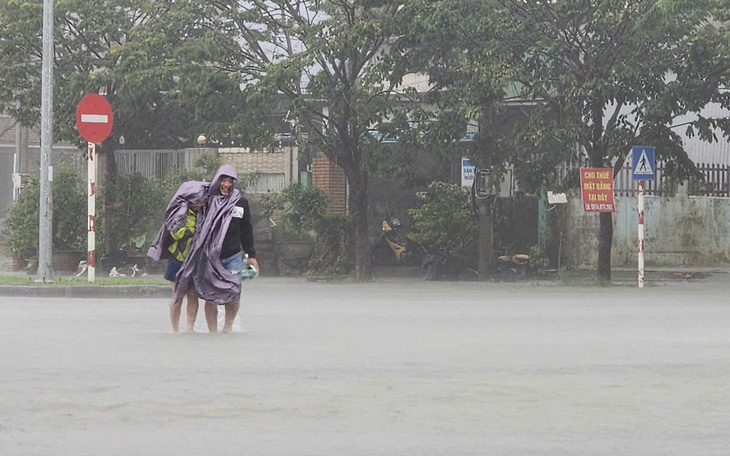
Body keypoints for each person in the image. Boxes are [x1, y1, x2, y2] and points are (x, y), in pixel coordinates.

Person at [171, 164, 259, 333]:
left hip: (233, 255)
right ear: (217, 181)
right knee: (210, 294)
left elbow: (246, 230)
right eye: (223, 180)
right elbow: (185, 200)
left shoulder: (240, 202)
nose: (226, 184)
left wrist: (251, 255)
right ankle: (213, 332)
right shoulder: (208, 199)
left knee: (234, 291)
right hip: (210, 255)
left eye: (230, 181)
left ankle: (228, 327)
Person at [147, 182, 208, 332]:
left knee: (193, 294)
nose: (199, 203)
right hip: (177, 259)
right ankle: (175, 329)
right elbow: (174, 232)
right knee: (177, 295)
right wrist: (190, 231)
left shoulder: (206, 213)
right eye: (196, 200)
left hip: (195, 260)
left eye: (202, 200)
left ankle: (189, 329)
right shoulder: (179, 211)